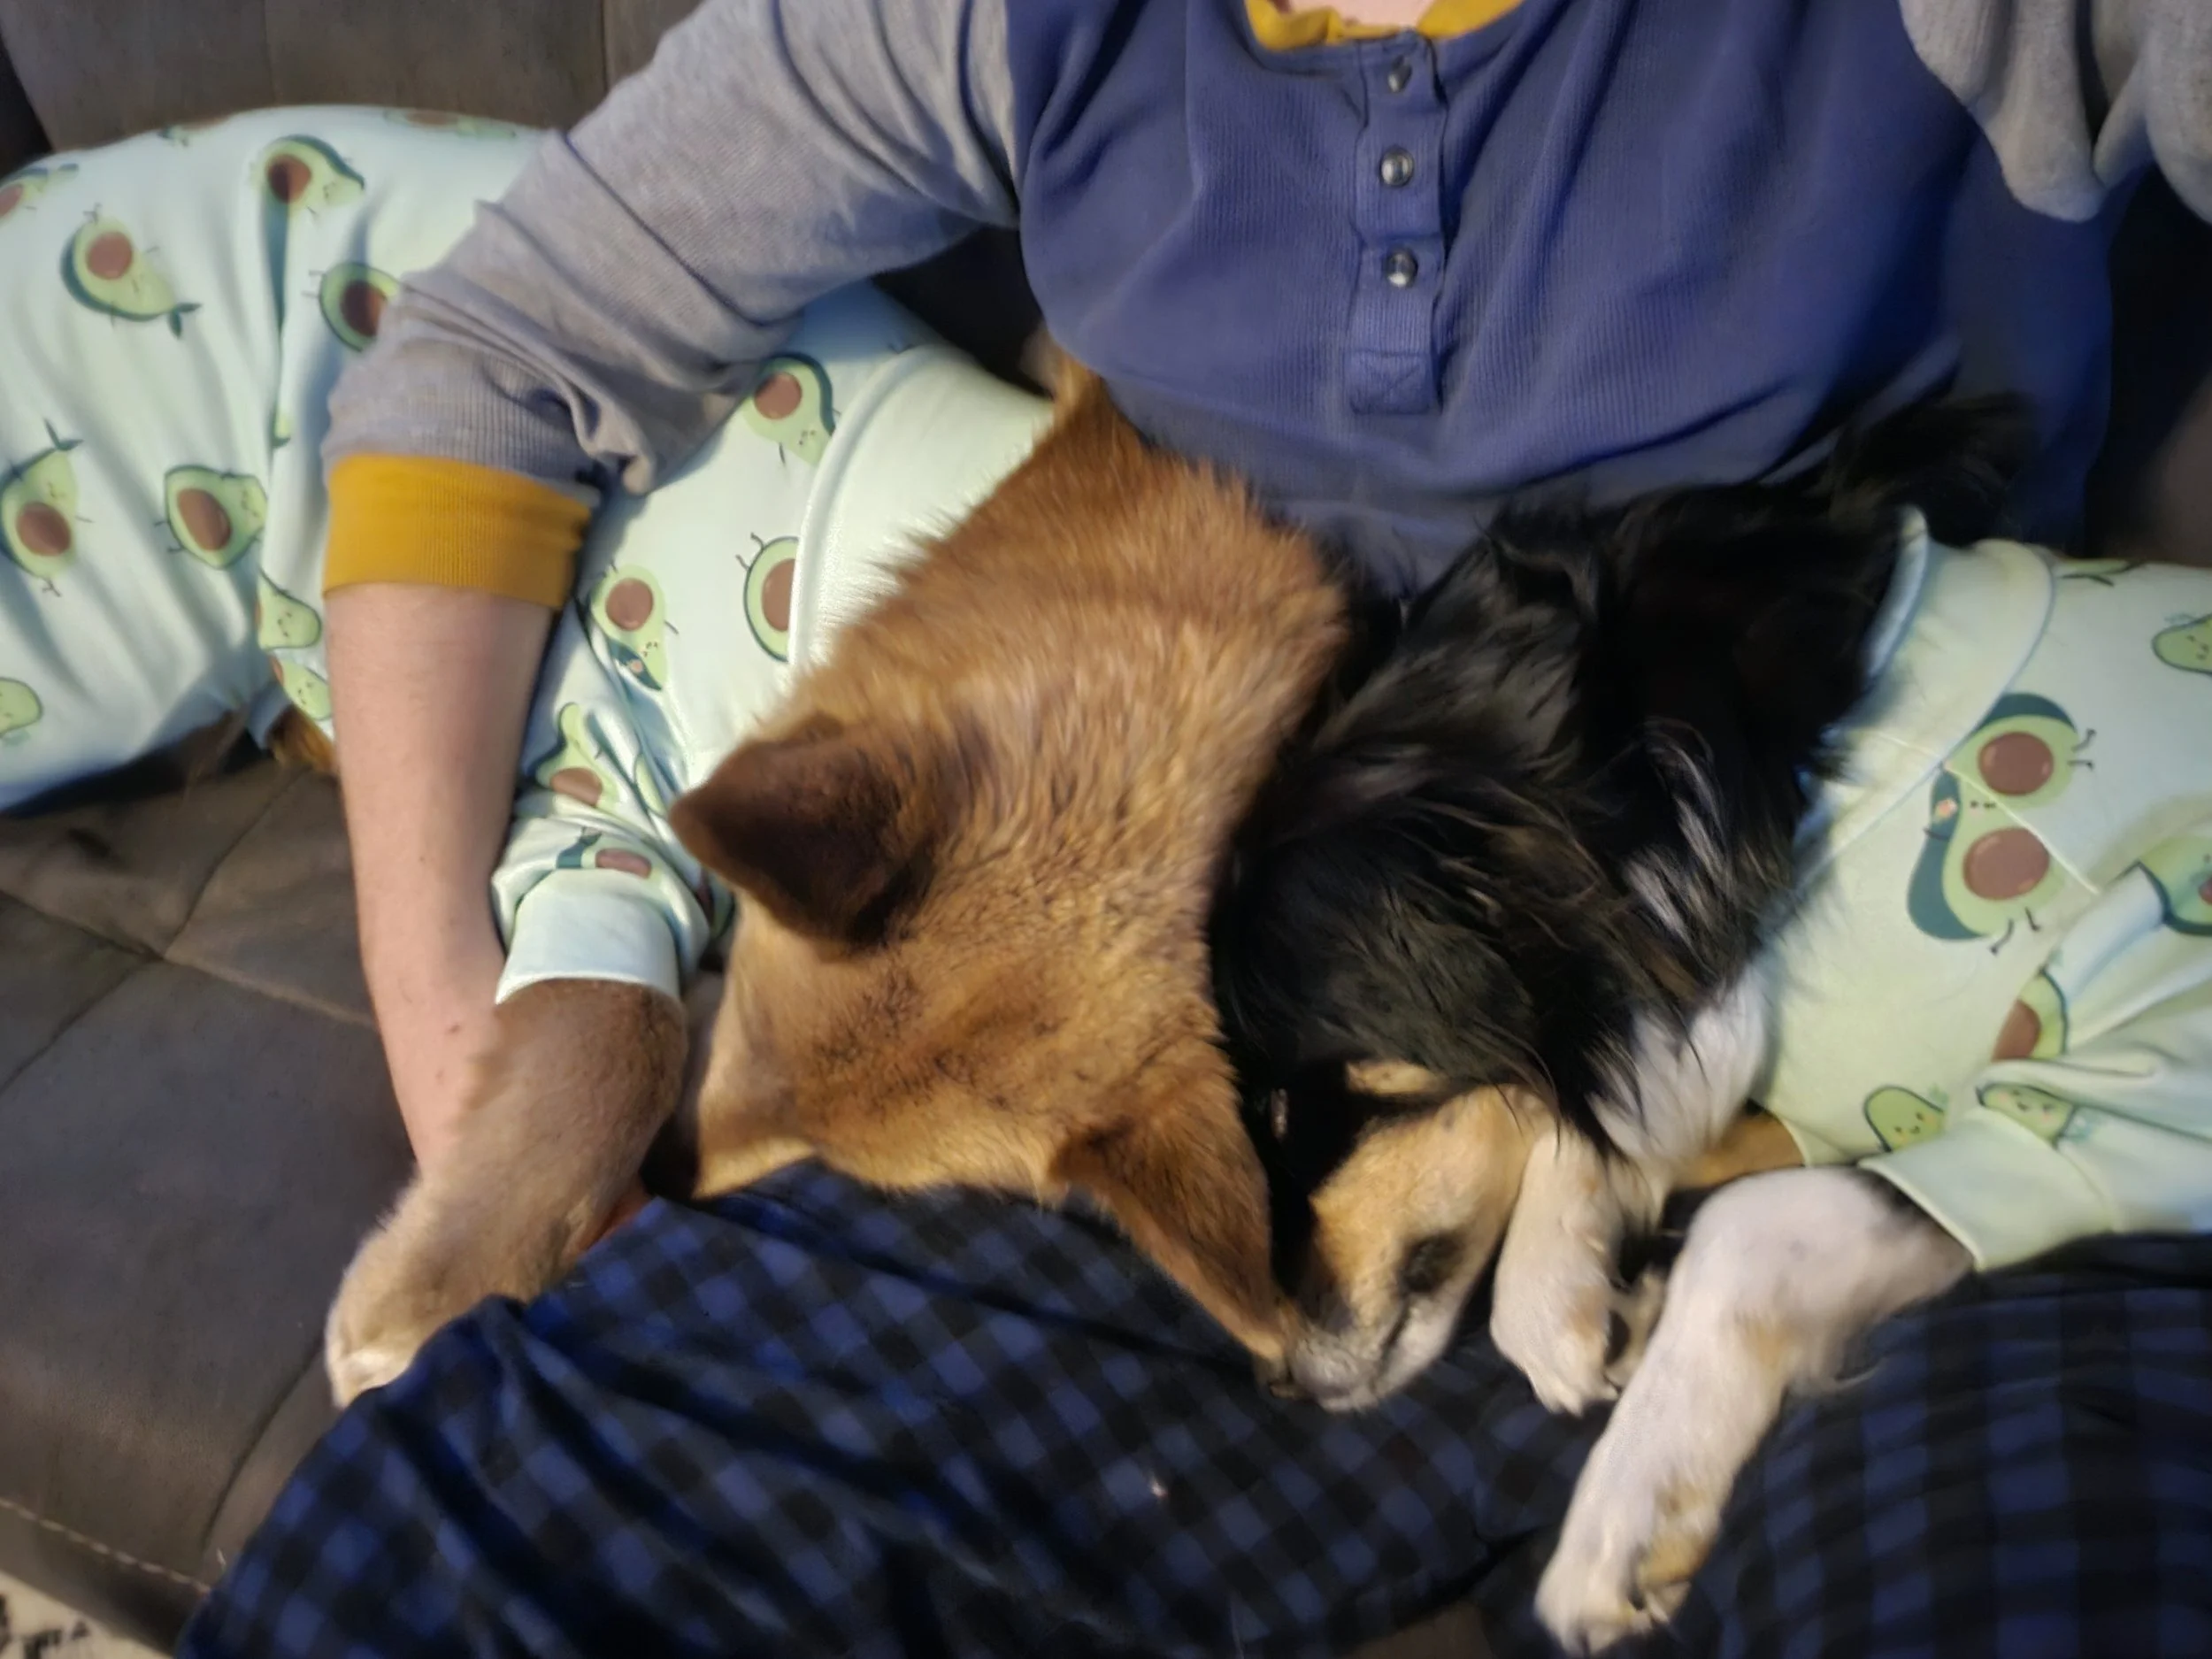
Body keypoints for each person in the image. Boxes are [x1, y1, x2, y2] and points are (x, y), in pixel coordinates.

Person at [319, 0, 2211, 1180]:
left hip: (1915, 1038)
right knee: (465, 1527)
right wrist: (466, 1075)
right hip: (1198, 1113)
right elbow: (491, 354)